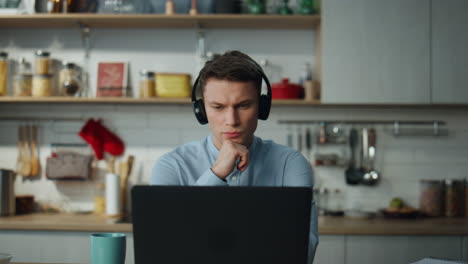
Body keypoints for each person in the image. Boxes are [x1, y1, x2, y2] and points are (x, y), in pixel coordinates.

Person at [151, 50, 318, 263]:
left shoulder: (291, 165)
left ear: (262, 107)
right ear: (201, 110)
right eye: (218, 107)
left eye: (244, 105)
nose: (231, 120)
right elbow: (165, 252)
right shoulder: (171, 166)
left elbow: (300, 254)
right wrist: (216, 174)